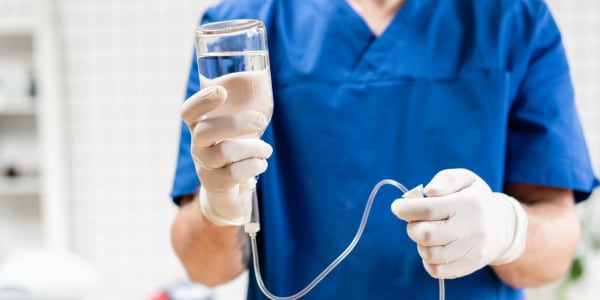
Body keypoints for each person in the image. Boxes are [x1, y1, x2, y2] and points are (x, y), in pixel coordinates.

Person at [170, 0, 599, 299]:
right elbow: (204, 268)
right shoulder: (241, 27)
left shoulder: (512, 20)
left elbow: (555, 244)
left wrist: (508, 229)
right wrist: (221, 207)